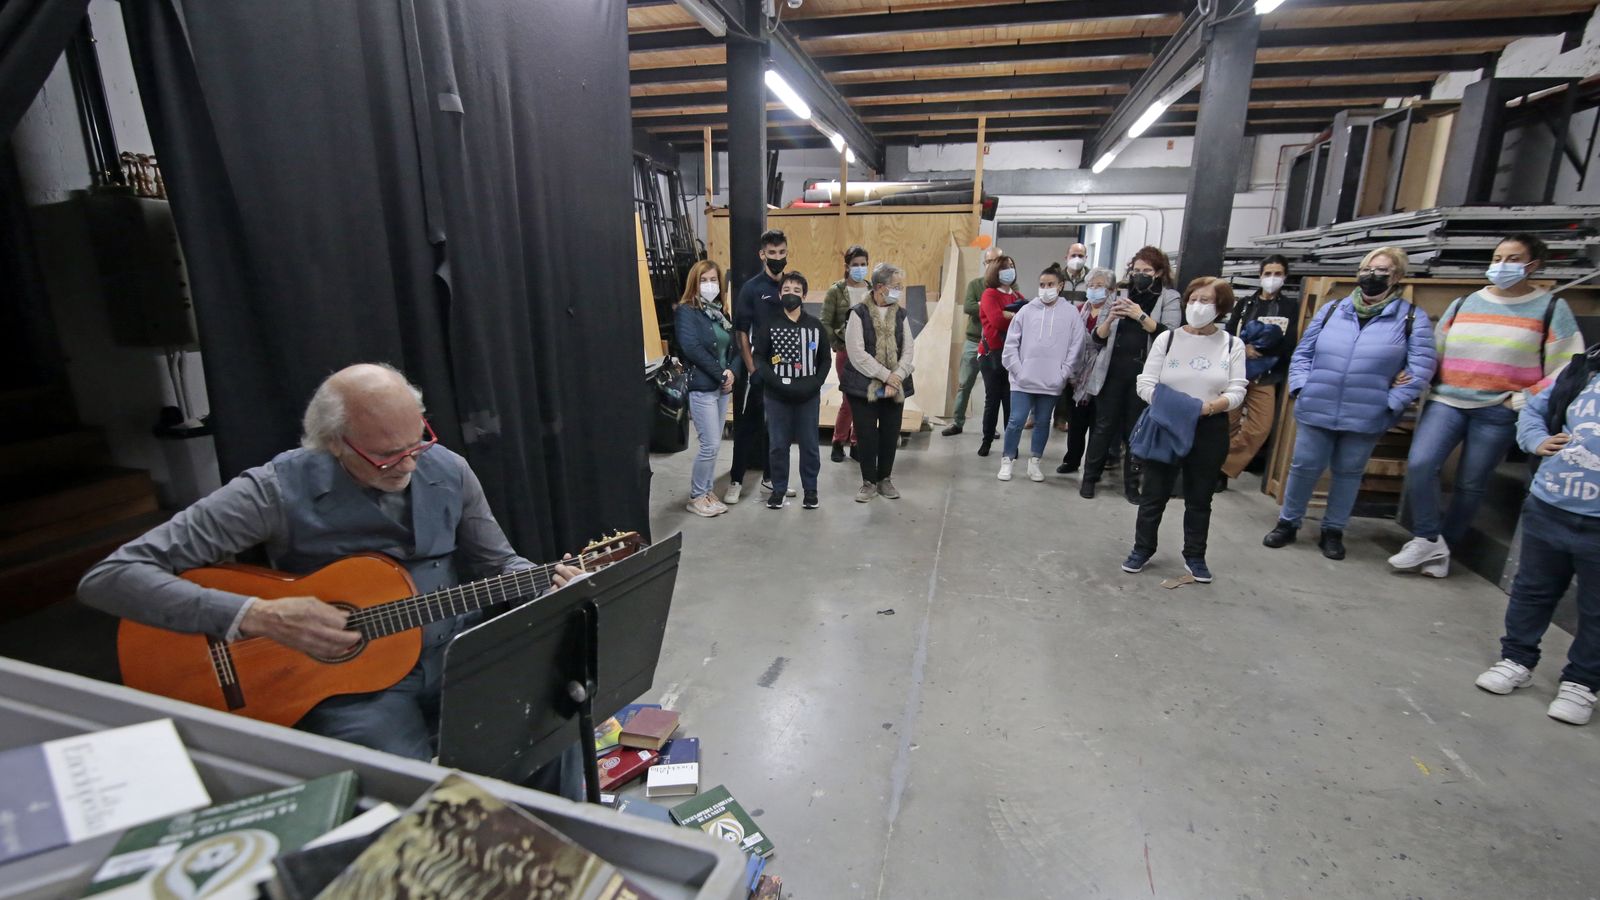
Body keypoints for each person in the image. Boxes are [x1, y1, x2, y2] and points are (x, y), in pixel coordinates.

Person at [77, 363, 582, 764]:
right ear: (335, 443)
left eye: (417, 443)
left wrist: (548, 585)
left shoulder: (447, 469)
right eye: (388, 456)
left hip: (459, 656)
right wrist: (258, 615)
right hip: (352, 690)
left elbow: (500, 566)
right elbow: (111, 579)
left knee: (557, 732)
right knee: (410, 796)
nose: (409, 465)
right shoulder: (272, 490)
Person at [1390, 234, 1585, 577]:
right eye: (1497, 257)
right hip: (1448, 399)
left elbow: (1567, 366)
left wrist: (1526, 398)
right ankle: (1427, 537)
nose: (1501, 265)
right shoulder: (1465, 303)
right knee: (1421, 464)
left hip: (1499, 407)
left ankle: (1444, 548)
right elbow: (1436, 349)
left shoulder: (1552, 308)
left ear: (1532, 265)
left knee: (1471, 482)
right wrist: (1413, 378)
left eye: (1512, 258)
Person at [1263, 247, 1437, 560]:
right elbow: (1304, 352)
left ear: (1396, 277)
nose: (1372, 275)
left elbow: (1421, 367)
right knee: (1303, 467)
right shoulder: (1332, 310)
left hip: (1368, 410)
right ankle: (1288, 522)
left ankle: (1333, 529)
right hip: (1318, 403)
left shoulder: (1411, 318)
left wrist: (1392, 402)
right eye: (1368, 269)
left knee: (1348, 472)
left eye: (1382, 270)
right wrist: (1302, 387)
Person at [1474, 345, 1600, 725]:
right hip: (1551, 506)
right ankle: (1517, 659)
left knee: (1597, 608)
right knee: (1533, 590)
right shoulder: (1582, 370)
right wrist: (1534, 440)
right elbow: (1532, 406)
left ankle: (1582, 682)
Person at [1121, 277, 1248, 582]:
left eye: (1205, 301)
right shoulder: (1168, 340)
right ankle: (1143, 548)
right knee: (1154, 493)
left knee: (1200, 497)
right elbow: (1146, 383)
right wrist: (1177, 407)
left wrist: (1207, 408)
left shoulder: (1232, 344)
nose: (1197, 306)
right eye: (1193, 299)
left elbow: (1237, 390)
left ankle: (1194, 554)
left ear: (1220, 307)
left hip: (1209, 426)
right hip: (1165, 424)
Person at [1079, 246, 1183, 502]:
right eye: (1136, 270)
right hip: (1112, 372)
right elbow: (1097, 338)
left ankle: (1131, 486)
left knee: (1134, 431)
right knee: (1102, 428)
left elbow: (1170, 336)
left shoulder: (1168, 297)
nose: (1140, 275)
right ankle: (1089, 479)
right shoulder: (1119, 295)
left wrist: (1141, 316)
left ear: (1159, 272)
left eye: (1146, 270)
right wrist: (1109, 319)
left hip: (1143, 375)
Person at [999, 264, 1087, 482]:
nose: (1045, 288)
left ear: (1060, 286)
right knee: (1016, 420)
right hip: (1022, 380)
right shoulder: (1026, 311)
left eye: (1050, 284)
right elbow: (1011, 344)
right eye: (1041, 285)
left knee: (1043, 421)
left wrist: (1063, 373)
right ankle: (1007, 460)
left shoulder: (1071, 314)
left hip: (1052, 381)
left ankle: (1035, 462)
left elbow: (1077, 346)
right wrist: (1018, 370)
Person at [1220, 255, 1298, 490]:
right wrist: (1244, 347)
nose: (1272, 279)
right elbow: (1230, 334)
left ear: (1285, 277)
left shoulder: (1290, 307)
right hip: (1237, 371)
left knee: (1260, 427)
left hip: (1267, 374)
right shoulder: (1245, 304)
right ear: (1260, 275)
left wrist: (1267, 347)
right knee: (1227, 423)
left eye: (1277, 274)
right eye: (1268, 274)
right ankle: (1217, 474)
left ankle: (1223, 465)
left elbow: (1291, 339)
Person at [756, 272, 832, 510]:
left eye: (797, 290)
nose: (791, 294)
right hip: (776, 397)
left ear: (805, 296)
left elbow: (825, 360)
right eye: (786, 289)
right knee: (778, 445)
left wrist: (815, 383)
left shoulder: (816, 326)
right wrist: (775, 383)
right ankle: (778, 490)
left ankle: (811, 490)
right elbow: (760, 357)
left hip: (808, 397)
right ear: (780, 294)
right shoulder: (769, 324)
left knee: (809, 444)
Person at [841, 262, 916, 502]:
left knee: (889, 432)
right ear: (880, 287)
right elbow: (857, 353)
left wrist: (899, 376)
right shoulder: (858, 313)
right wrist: (886, 376)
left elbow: (909, 349)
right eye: (896, 286)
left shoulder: (900, 314)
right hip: (863, 387)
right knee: (866, 435)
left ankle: (885, 479)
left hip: (896, 385)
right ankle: (868, 482)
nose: (899, 290)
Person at [728, 229, 790, 505]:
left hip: (786, 370)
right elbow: (741, 333)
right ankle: (736, 480)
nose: (777, 258)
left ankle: (772, 478)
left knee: (778, 429)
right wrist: (752, 370)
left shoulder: (791, 286)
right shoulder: (752, 289)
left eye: (782, 252)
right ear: (762, 254)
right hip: (760, 368)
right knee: (748, 426)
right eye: (772, 253)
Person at [674, 260, 737, 518]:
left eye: (713, 280)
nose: (709, 285)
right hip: (702, 387)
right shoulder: (686, 312)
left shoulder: (720, 312)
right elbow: (691, 348)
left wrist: (732, 371)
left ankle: (708, 491)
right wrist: (720, 373)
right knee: (709, 444)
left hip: (722, 387)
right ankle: (697, 495)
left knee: (715, 444)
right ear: (694, 283)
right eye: (704, 280)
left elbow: (732, 346)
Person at [1058, 266, 1116, 475]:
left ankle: (1095, 467)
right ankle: (1072, 460)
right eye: (1091, 285)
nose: (1094, 289)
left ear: (1110, 289)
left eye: (1099, 286)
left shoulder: (1116, 311)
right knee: (1076, 423)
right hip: (1079, 374)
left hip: (1103, 373)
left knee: (1098, 426)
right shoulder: (1080, 309)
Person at [945, 245, 1003, 437]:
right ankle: (957, 422)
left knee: (992, 389)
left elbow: (1011, 310)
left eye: (997, 261)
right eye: (989, 261)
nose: (992, 265)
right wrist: (992, 308)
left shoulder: (1008, 287)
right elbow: (968, 307)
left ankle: (990, 427)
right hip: (973, 341)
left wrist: (983, 305)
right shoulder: (975, 285)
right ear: (984, 263)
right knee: (964, 384)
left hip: (995, 344)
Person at [821, 246, 871, 461]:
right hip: (845, 352)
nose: (859, 269)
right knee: (849, 399)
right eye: (855, 265)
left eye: (863, 264)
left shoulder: (871, 290)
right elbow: (825, 322)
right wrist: (836, 343)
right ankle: (837, 441)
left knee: (864, 400)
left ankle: (857, 443)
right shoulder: (836, 291)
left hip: (867, 354)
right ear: (847, 267)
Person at [976, 253, 1023, 457]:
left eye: (1011, 265)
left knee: (1010, 403)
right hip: (991, 356)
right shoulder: (989, 294)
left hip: (1013, 356)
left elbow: (1027, 321)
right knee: (992, 400)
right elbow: (997, 321)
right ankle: (986, 441)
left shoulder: (1017, 297)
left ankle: (1011, 445)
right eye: (1004, 267)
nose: (1009, 270)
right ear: (996, 271)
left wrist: (1009, 315)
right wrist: (1014, 315)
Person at [1053, 242, 1092, 432]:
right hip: (1057, 332)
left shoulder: (1091, 279)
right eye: (1073, 255)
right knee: (1051, 372)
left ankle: (1063, 417)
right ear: (1066, 256)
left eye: (1081, 255)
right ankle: (1037, 414)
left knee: (1069, 376)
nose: (1077, 259)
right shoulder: (1057, 277)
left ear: (1086, 258)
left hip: (1079, 333)